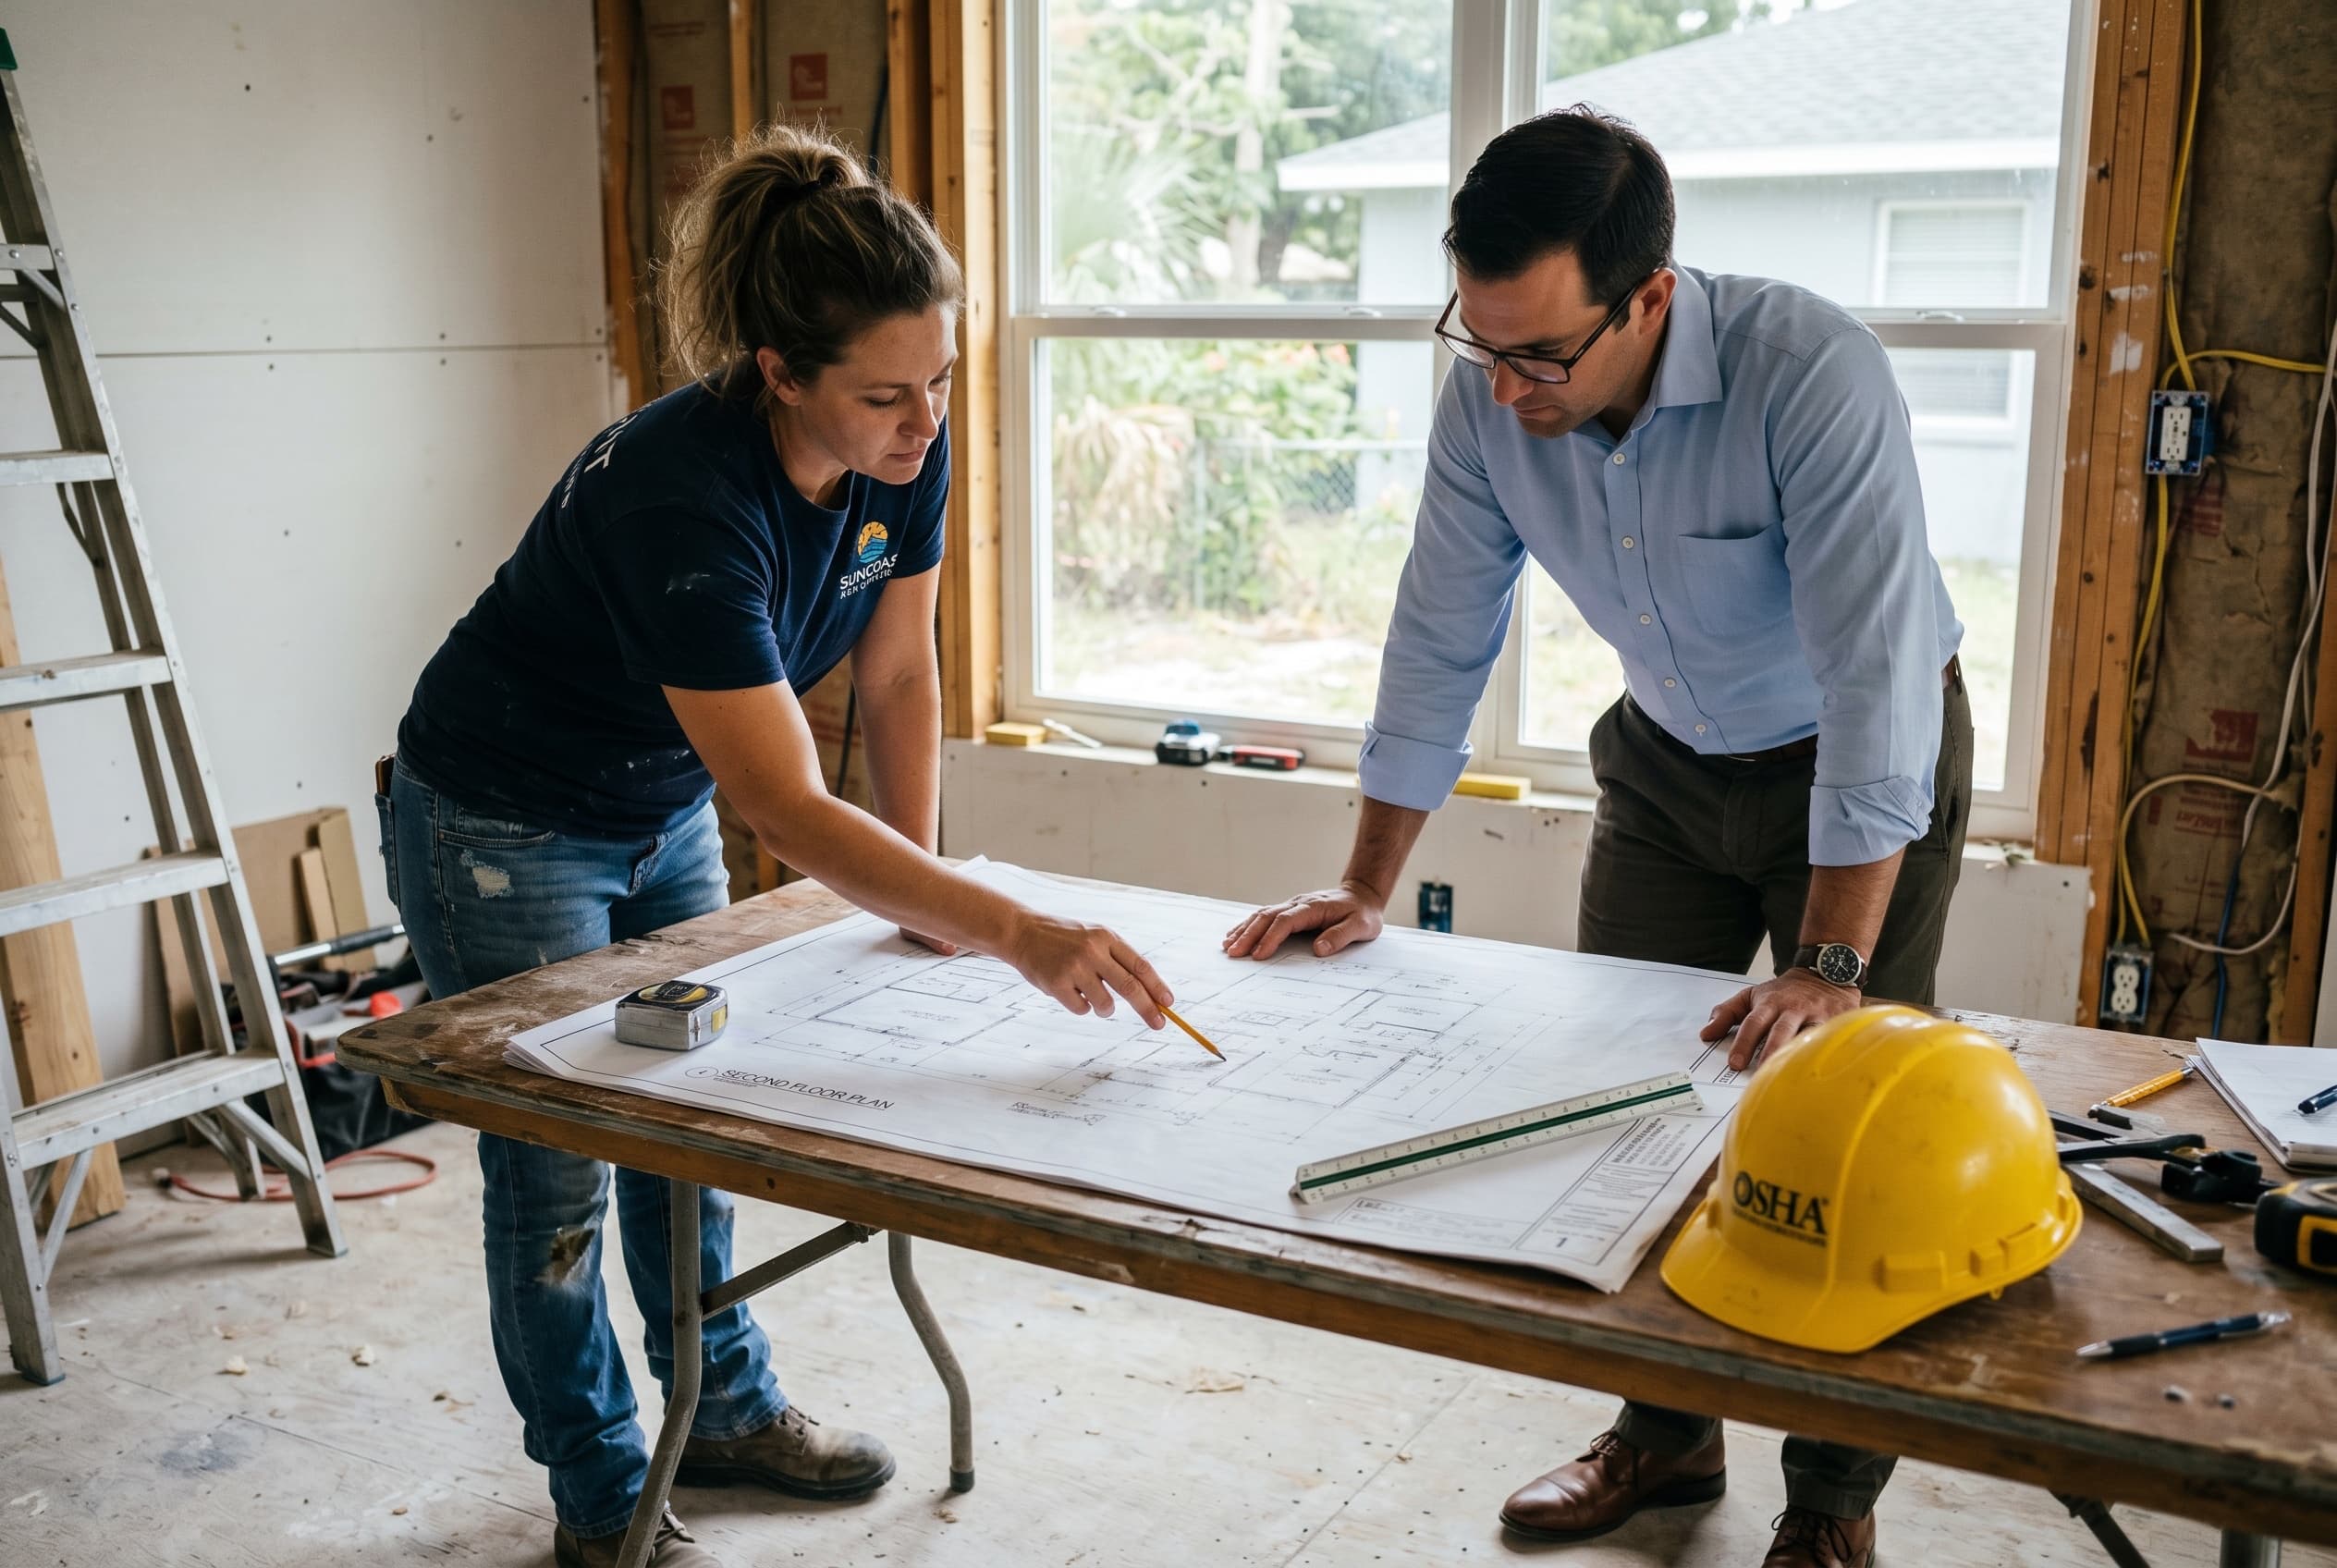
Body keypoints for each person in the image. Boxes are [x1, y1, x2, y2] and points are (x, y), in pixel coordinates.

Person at [380, 125, 1173, 1568]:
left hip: (658, 795)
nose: (924, 423)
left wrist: (933, 896)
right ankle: (603, 1492)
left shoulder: (900, 446)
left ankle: (725, 1409)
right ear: (778, 374)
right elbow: (792, 812)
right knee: (559, 1166)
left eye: (937, 382)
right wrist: (1012, 926)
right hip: (505, 818)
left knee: (691, 1115)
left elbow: (902, 676)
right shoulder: (680, 496)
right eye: (885, 395)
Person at [1222, 107, 1971, 1568]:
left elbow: (1878, 683)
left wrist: (1827, 959)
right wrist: (1368, 881)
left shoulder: (1808, 373)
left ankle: (1833, 1502)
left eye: (1541, 355)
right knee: (1632, 1092)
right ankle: (1665, 1433)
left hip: (1865, 761)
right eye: (1479, 346)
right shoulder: (1493, 396)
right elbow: (1440, 631)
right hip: (1669, 764)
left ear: (1651, 299)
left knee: (1846, 1120)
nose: (1505, 390)